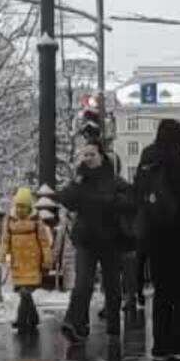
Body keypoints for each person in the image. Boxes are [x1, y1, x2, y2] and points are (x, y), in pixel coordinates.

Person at [135, 118, 180, 361]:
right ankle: (178, 346)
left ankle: (159, 346)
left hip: (154, 236)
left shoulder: (147, 160)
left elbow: (138, 195)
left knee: (162, 291)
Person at [58, 141, 134, 344]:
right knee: (83, 283)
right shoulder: (81, 181)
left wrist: (110, 202)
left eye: (91, 154)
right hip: (86, 240)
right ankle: (74, 324)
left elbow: (131, 201)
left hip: (110, 239)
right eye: (85, 155)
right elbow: (65, 199)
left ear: (101, 156)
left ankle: (114, 328)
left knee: (112, 285)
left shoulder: (114, 180)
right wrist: (76, 182)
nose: (88, 158)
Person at [1, 187, 55, 334]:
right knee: (25, 294)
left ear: (29, 207)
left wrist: (47, 260)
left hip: (32, 264)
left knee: (25, 293)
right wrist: (2, 253)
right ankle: (33, 318)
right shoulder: (10, 221)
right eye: (17, 206)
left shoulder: (37, 223)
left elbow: (44, 243)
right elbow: (5, 240)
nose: (19, 210)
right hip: (18, 264)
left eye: (22, 206)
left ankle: (21, 320)